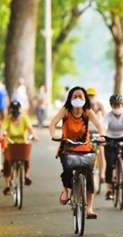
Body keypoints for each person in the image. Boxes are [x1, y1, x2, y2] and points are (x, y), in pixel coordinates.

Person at [49, 86, 105, 219]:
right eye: (75, 96)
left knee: (89, 174)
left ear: (85, 99)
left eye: (81, 96)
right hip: (67, 146)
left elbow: (99, 125)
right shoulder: (66, 111)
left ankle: (90, 208)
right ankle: (66, 190)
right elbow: (52, 123)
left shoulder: (87, 111)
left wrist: (101, 136)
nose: (78, 99)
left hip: (84, 146)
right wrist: (54, 135)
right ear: (70, 98)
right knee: (68, 168)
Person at [0, 101, 38, 195]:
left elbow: (30, 129)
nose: (15, 110)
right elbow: (2, 129)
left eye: (17, 108)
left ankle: (26, 175)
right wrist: (0, 136)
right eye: (13, 109)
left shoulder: (24, 118)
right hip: (11, 144)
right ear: (10, 110)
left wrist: (34, 136)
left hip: (22, 143)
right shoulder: (7, 119)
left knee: (26, 158)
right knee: (7, 161)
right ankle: (7, 185)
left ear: (20, 109)